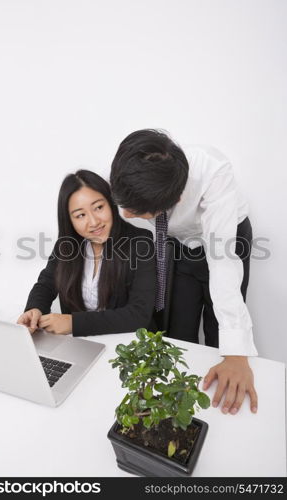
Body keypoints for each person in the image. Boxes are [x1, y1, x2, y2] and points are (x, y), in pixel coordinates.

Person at [110, 129, 258, 416]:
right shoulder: (132, 169)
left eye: (136, 211)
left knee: (219, 329)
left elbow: (222, 260)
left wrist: (237, 354)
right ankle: (182, 395)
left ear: (175, 199)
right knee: (179, 325)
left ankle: (221, 395)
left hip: (226, 240)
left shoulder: (214, 172)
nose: (126, 215)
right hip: (180, 243)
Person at [17, 170, 155, 336]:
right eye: (80, 215)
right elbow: (46, 283)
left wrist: (74, 323)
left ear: (111, 203)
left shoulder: (141, 243)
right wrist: (34, 309)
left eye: (98, 207)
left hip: (128, 346)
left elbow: (139, 315)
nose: (94, 222)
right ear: (70, 220)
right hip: (83, 345)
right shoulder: (66, 245)